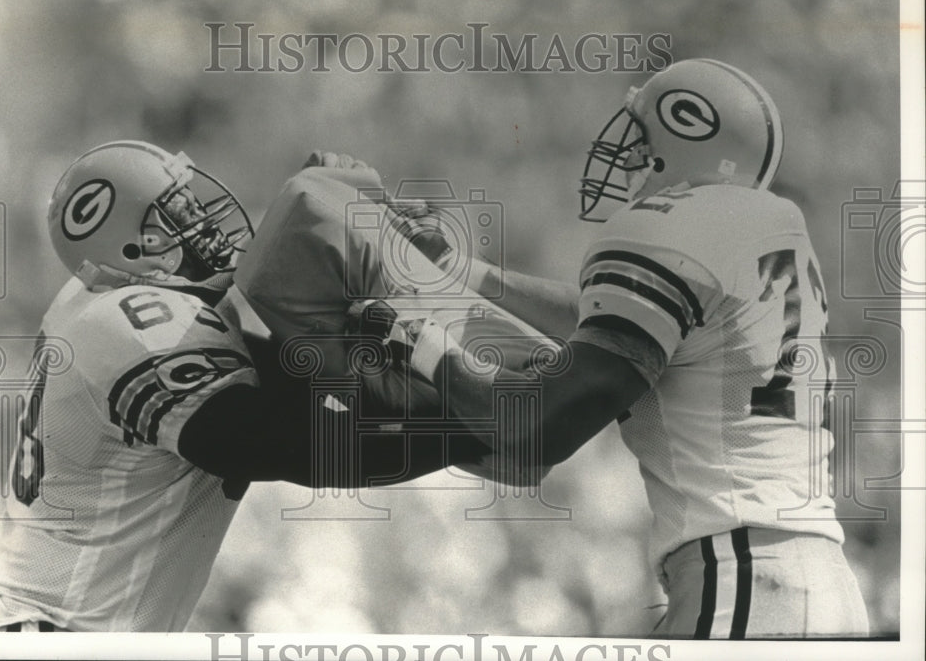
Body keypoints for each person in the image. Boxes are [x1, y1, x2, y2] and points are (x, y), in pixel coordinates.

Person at [362, 59, 871, 638]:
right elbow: (603, 318)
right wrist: (465, 273)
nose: (626, 153)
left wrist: (411, 339)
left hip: (742, 579)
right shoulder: (759, 224)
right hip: (812, 580)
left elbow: (537, 426)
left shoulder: (671, 227)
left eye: (642, 135)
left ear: (686, 135)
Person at [0, 141, 484, 632]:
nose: (205, 222)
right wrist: (477, 426)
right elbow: (300, 447)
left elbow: (242, 313)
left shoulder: (102, 295)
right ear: (139, 248)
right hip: (47, 628)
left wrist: (313, 224)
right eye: (181, 213)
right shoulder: (133, 326)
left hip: (23, 617)